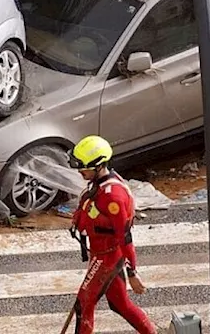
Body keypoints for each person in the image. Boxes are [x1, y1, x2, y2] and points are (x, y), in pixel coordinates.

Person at [67, 135, 156, 334]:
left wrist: (132, 273)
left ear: (99, 165)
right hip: (99, 253)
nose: (80, 171)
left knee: (84, 304)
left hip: (107, 257)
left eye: (84, 167)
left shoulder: (113, 197)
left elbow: (125, 237)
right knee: (120, 304)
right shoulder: (98, 183)